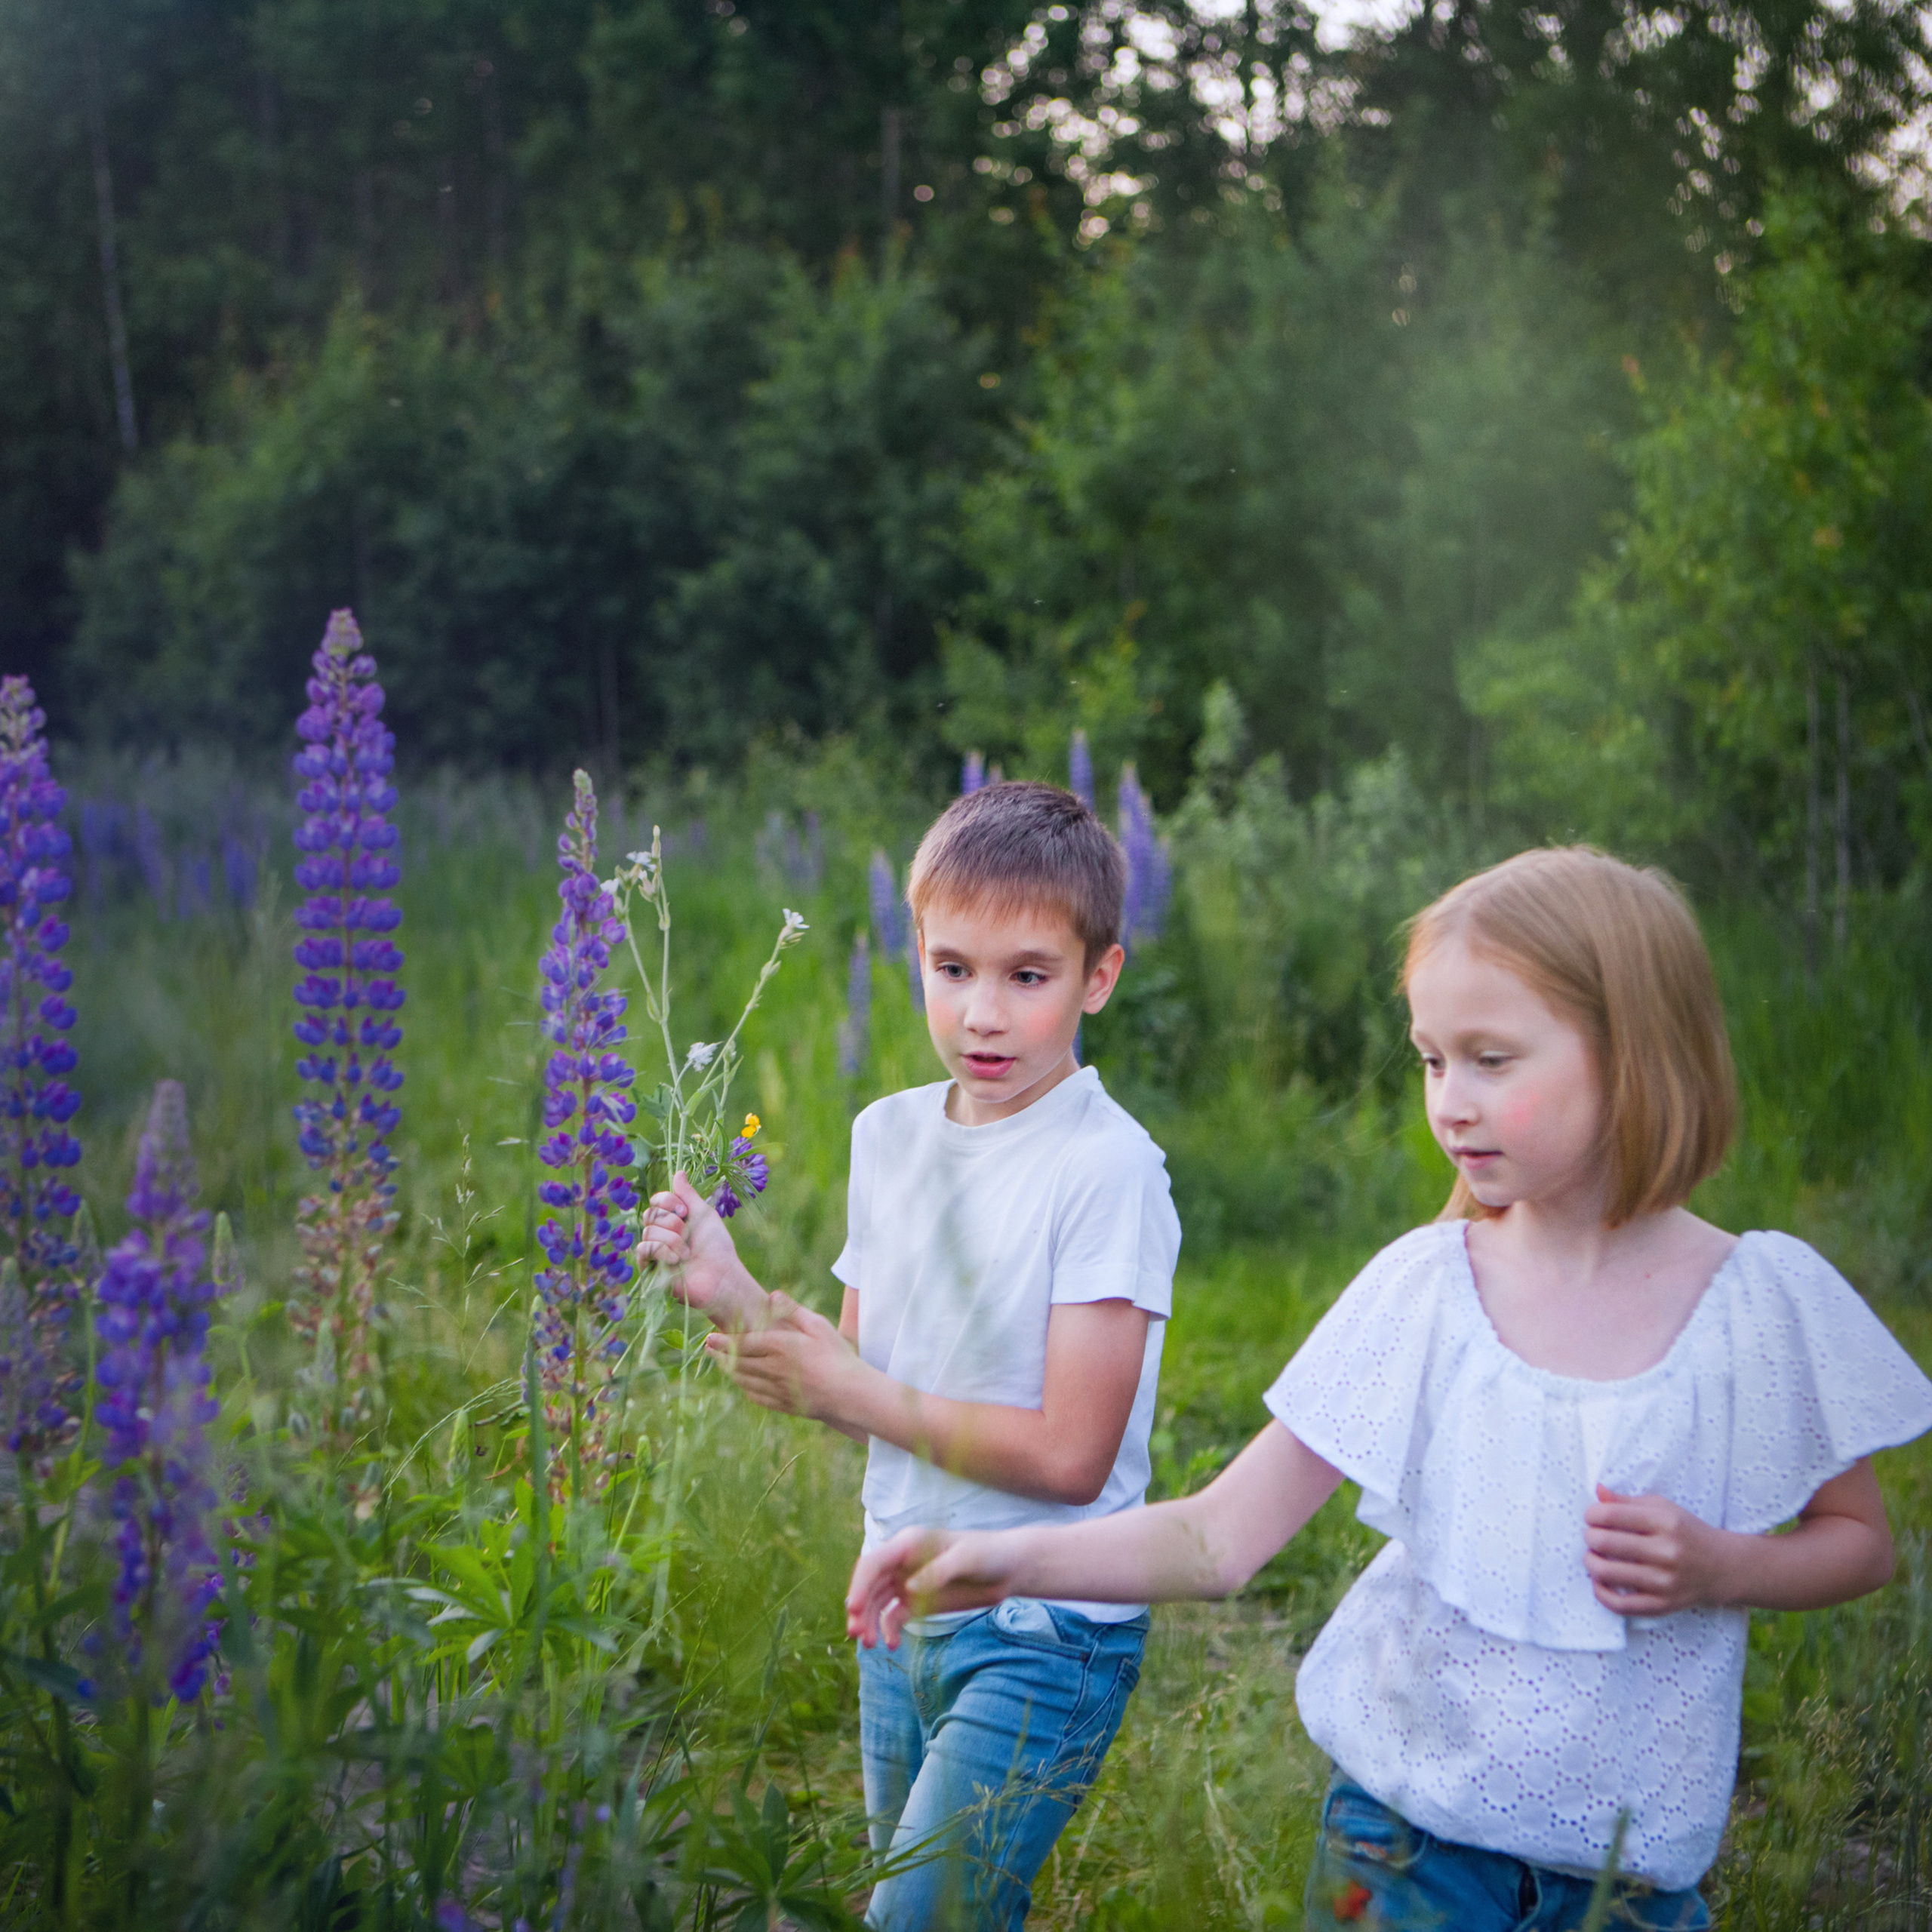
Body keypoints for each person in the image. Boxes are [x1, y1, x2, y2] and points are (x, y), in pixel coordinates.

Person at [846, 846, 1932, 1932]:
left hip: (1636, 1883)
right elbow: (1221, 1537)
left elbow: (1862, 1542)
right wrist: (1001, 1557)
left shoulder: (1760, 1304)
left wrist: (1723, 1566)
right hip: (1405, 1854)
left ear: (1635, 1053)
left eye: (1491, 1060)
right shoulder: (1428, 1288)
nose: (1450, 1103)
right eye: (1430, 1061)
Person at [636, 780, 1183, 1931]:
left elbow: (1076, 1455)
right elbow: (861, 1378)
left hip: (1047, 1623)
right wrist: (735, 1297)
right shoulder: (888, 1136)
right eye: (953, 968)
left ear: (1100, 978)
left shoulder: (1107, 1169)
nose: (983, 1013)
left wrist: (858, 1387)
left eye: (1027, 977)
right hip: (898, 1602)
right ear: (916, 955)